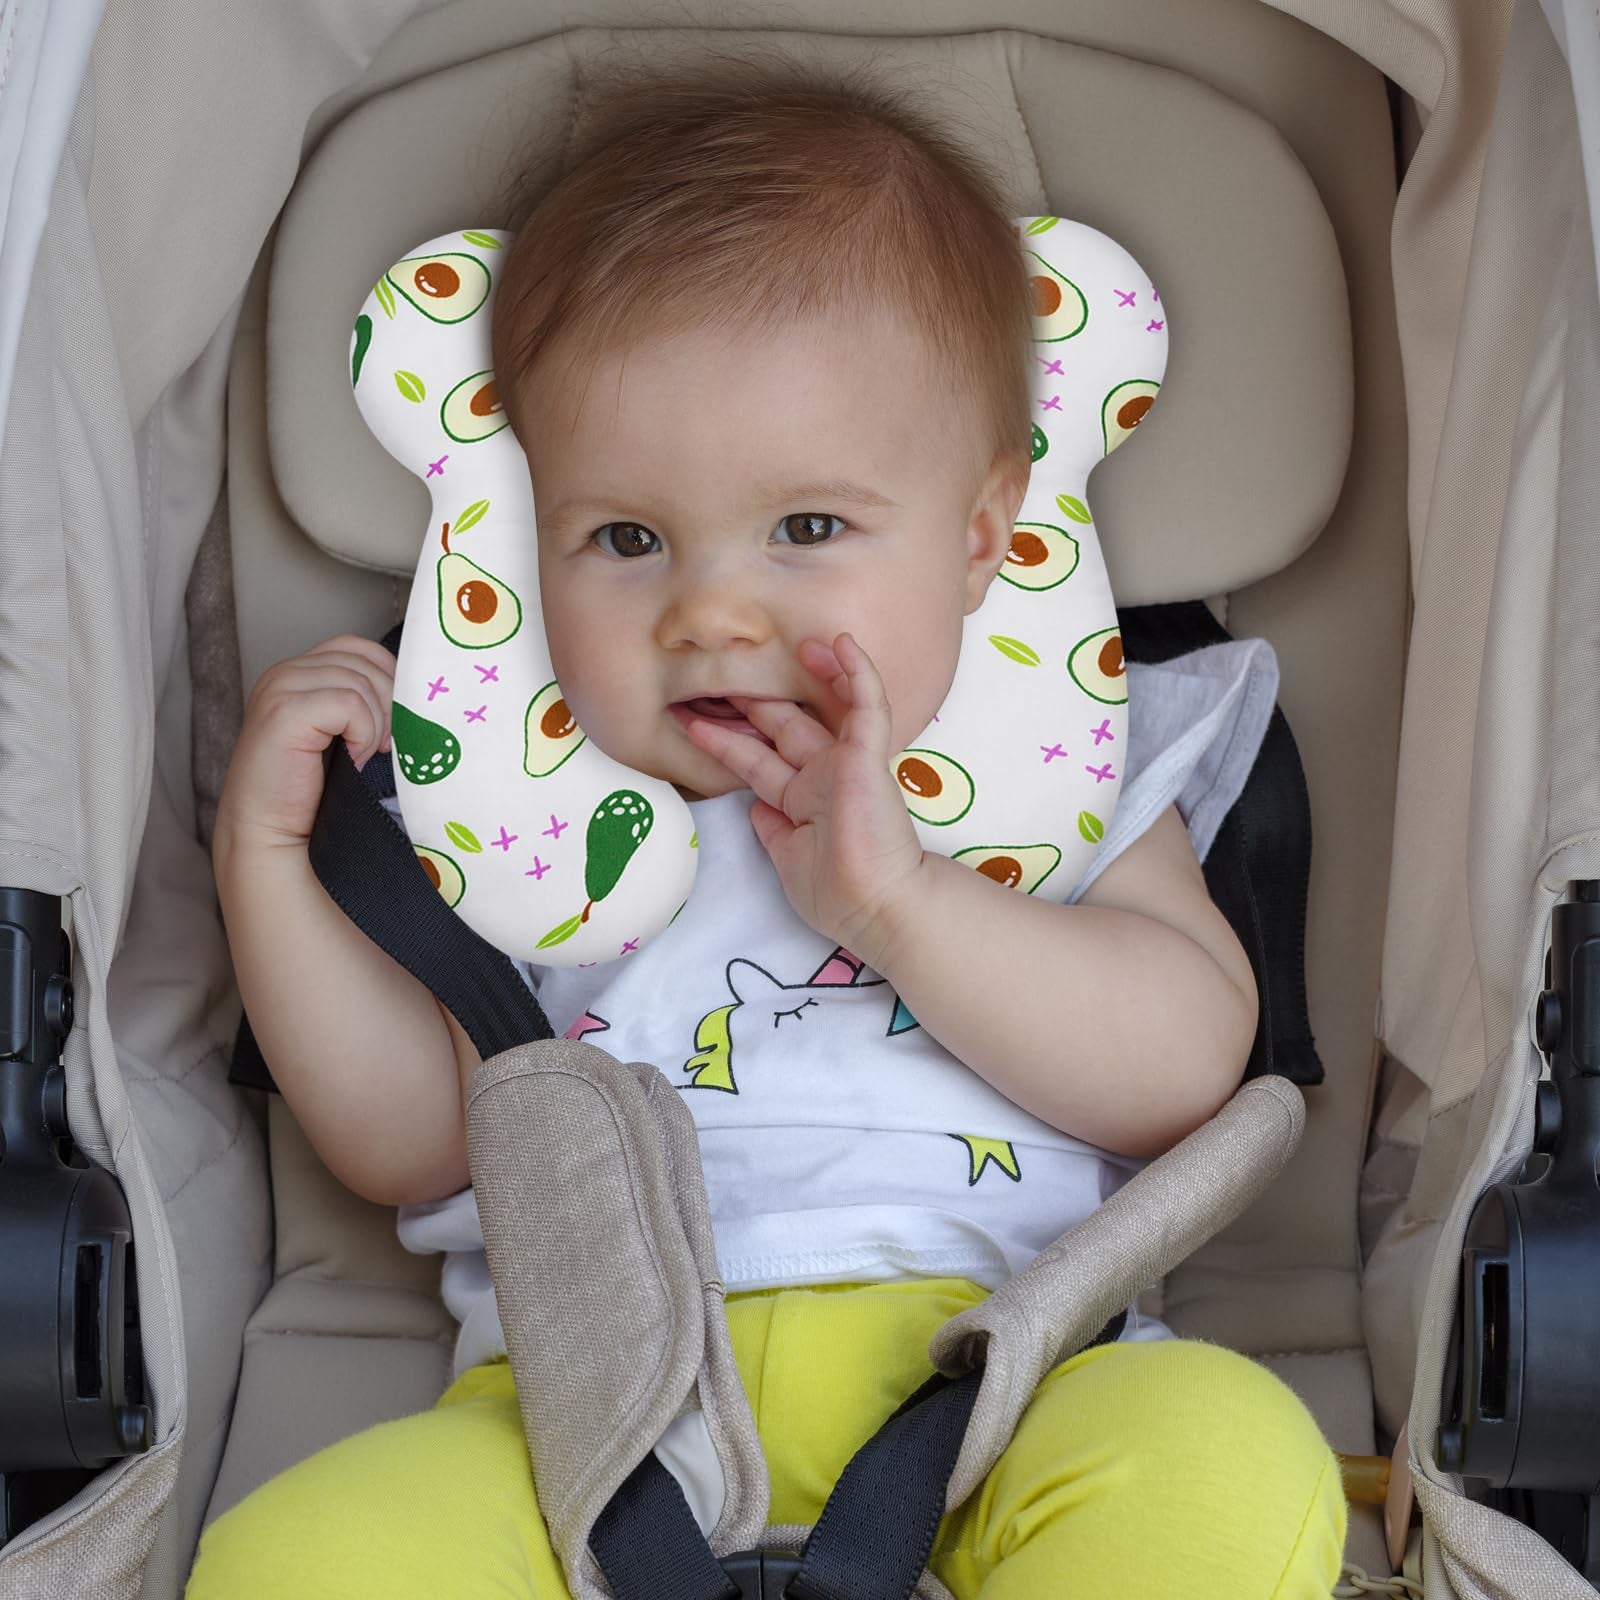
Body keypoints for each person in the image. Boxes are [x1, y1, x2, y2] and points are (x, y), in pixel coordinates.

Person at [190, 55, 1345, 1599]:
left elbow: (1184, 1068)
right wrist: (268, 861)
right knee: (305, 1557)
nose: (711, 614)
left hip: (1004, 1389)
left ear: (982, 534)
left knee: (1220, 1451)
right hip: (584, 1427)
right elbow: (408, 1136)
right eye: (625, 538)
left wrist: (907, 901)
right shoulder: (523, 821)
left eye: (807, 528)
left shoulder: (1043, 778)